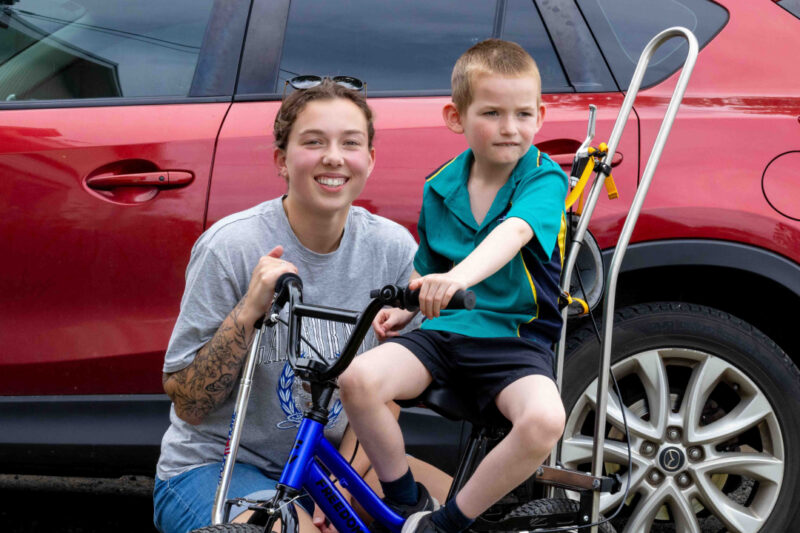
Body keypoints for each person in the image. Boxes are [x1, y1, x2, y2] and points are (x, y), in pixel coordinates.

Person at [153, 78, 449, 533]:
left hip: (328, 462)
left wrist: (342, 480)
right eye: (313, 142)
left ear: (369, 160)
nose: (334, 157)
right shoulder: (232, 246)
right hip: (217, 466)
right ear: (281, 160)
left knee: (462, 510)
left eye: (350, 143)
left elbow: (389, 392)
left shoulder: (392, 249)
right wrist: (249, 311)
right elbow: (190, 405)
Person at [339, 39, 569, 533]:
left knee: (546, 420)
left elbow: (514, 233)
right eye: (492, 112)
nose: (510, 128)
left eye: (523, 113)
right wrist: (409, 305)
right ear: (456, 117)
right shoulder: (439, 185)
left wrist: (458, 278)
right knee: (357, 380)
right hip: (446, 335)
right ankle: (403, 499)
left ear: (541, 115)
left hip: (513, 340)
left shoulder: (544, 179)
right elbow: (428, 266)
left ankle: (447, 522)